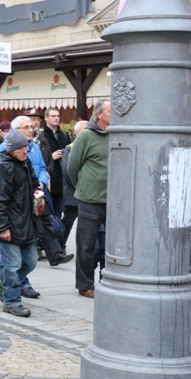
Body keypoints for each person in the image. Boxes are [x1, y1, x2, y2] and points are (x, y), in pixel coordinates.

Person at [0, 129, 41, 317]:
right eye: (20, 148)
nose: (25, 150)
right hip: (10, 224)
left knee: (30, 262)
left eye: (26, 146)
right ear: (10, 149)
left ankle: (2, 278)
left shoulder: (25, 163)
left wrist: (37, 191)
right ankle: (12, 301)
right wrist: (2, 227)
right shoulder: (4, 168)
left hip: (27, 222)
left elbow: (34, 183)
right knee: (13, 266)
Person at [67, 99, 111, 299]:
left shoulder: (117, 134)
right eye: (111, 111)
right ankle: (84, 284)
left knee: (109, 245)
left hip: (113, 201)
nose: (115, 114)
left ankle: (107, 281)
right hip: (89, 201)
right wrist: (84, 188)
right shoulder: (86, 136)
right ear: (99, 114)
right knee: (86, 245)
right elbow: (72, 167)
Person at [41, 108, 71, 217]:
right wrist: (51, 157)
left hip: (61, 178)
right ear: (46, 118)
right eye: (53, 116)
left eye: (58, 116)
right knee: (48, 212)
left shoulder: (64, 134)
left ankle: (58, 233)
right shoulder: (41, 135)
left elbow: (69, 150)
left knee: (59, 212)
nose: (56, 118)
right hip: (48, 177)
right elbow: (37, 157)